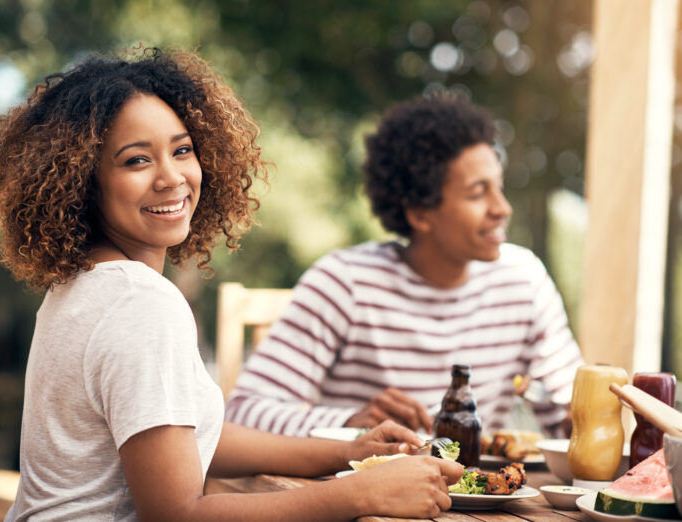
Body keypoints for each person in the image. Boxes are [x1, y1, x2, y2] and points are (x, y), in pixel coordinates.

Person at [0, 48, 462, 521]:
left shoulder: (84, 287)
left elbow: (187, 438)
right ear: (83, 182)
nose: (171, 178)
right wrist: (356, 494)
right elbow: (177, 512)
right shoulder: (141, 304)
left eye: (182, 150)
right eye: (136, 160)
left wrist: (346, 451)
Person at [225, 94, 583, 439]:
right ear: (419, 212)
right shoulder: (345, 283)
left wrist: (586, 418)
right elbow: (242, 413)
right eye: (478, 193)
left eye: (499, 188)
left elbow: (565, 417)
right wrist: (351, 422)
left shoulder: (524, 281)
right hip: (365, 493)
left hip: (478, 496)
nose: (502, 208)